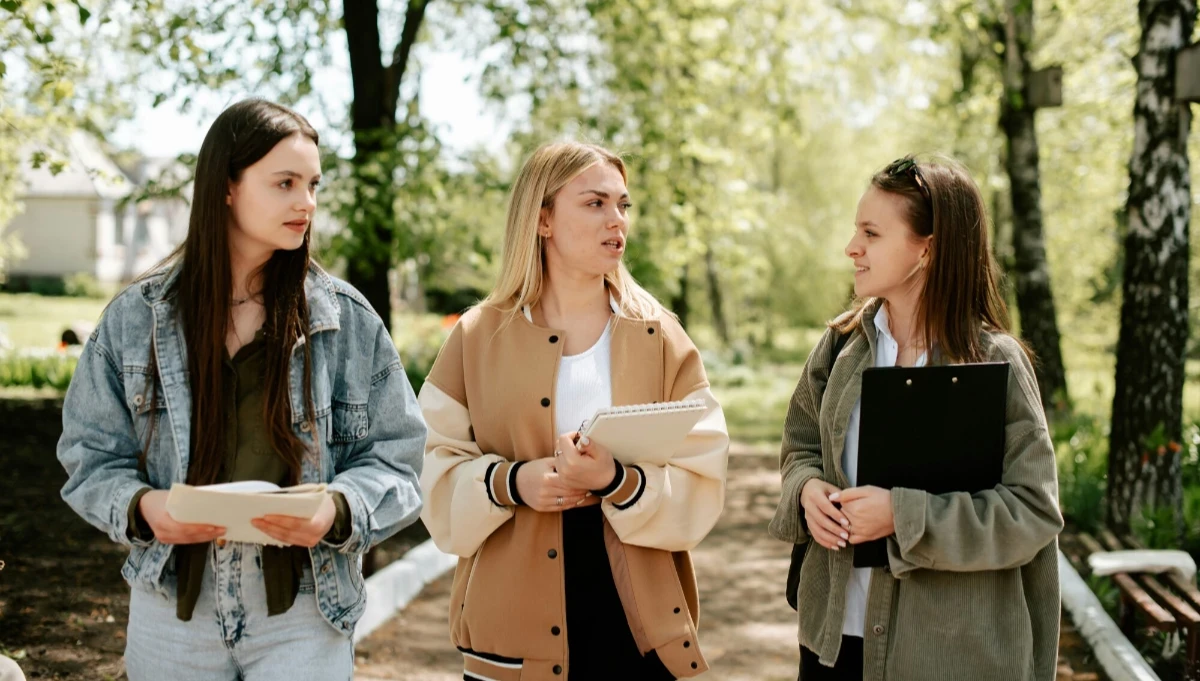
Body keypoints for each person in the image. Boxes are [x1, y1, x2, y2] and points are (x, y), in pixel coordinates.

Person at [56, 99, 426, 680]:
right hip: (172, 611)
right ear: (227, 186)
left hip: (305, 610)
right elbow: (88, 456)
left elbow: (401, 462)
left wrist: (336, 508)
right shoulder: (135, 319)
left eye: (312, 184)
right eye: (285, 183)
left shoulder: (347, 319)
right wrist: (144, 508)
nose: (306, 202)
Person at [418, 141, 730, 680]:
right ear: (542, 219)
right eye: (594, 203)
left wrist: (617, 479)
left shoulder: (661, 336)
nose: (617, 220)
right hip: (511, 628)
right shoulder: (475, 337)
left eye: (623, 205)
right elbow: (428, 470)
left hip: (639, 622)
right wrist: (514, 483)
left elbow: (704, 469)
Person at [768, 155, 1063, 680]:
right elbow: (799, 449)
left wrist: (903, 519)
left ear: (927, 248)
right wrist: (808, 491)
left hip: (949, 660)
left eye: (871, 232)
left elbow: (1032, 512)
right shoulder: (840, 348)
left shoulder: (995, 364)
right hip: (834, 646)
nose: (851, 247)